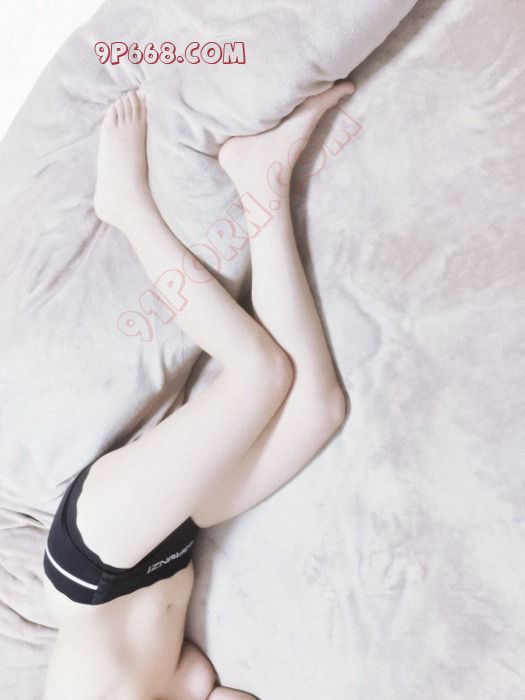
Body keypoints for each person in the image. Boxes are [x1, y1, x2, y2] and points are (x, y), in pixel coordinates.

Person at [42, 78, 354, 700]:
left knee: (260, 372)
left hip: (101, 556)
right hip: (170, 545)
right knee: (319, 408)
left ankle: (126, 207)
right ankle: (260, 180)